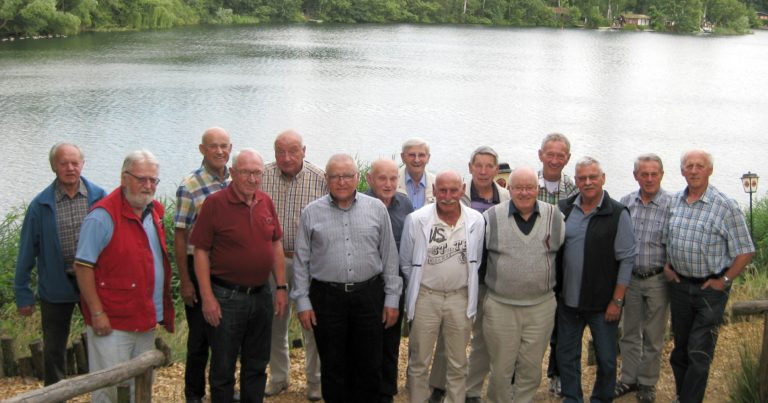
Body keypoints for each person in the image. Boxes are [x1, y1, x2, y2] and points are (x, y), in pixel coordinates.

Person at [291, 154, 402, 403]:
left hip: (369, 295)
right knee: (333, 366)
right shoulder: (311, 212)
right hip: (327, 298)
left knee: (370, 364)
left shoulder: (376, 209)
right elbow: (301, 261)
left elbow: (389, 256)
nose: (342, 182)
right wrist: (303, 302)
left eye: (347, 176)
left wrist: (392, 298)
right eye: (335, 176)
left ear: (358, 178)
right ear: (326, 179)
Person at [74, 150, 174, 403]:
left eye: (153, 180)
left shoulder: (154, 212)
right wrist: (97, 313)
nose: (148, 185)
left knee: (140, 384)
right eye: (142, 179)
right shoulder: (101, 217)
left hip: (144, 316)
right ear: (124, 178)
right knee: (109, 386)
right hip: (113, 320)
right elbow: (82, 267)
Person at [190, 148, 288, 403]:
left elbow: (276, 244)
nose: (252, 178)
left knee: (257, 363)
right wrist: (207, 296)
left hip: (261, 294)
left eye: (257, 173)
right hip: (226, 297)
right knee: (223, 367)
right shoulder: (215, 204)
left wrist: (280, 287)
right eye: (246, 172)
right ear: (232, 173)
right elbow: (200, 251)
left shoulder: (265, 201)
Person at [664, 150, 754, 403]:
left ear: (709, 170)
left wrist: (724, 281)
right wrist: (666, 267)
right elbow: (665, 240)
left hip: (710, 290)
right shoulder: (674, 202)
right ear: (682, 171)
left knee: (698, 352)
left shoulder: (725, 206)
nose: (693, 171)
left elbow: (745, 250)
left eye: (699, 166)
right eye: (689, 166)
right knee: (680, 350)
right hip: (680, 286)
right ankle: (683, 395)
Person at [14, 143, 106, 388]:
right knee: (54, 346)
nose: (70, 168)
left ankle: (103, 389)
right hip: (56, 285)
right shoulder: (40, 205)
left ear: (82, 164)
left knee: (103, 337)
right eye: (64, 163)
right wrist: (23, 293)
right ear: (54, 166)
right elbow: (26, 252)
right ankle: (55, 393)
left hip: (95, 284)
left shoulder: (99, 197)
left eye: (75, 163)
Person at [431, 146, 510, 403]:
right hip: (461, 277)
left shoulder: (506, 197)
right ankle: (439, 386)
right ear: (470, 167)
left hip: (493, 277)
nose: (484, 171)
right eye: (479, 165)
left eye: (490, 166)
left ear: (497, 170)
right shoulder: (457, 194)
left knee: (484, 336)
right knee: (450, 334)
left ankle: (472, 389)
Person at [556, 157, 636, 403]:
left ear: (603, 178)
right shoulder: (565, 209)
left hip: (603, 304)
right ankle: (572, 397)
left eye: (593, 177)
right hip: (568, 301)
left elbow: (627, 259)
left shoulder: (617, 213)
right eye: (582, 178)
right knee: (566, 356)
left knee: (607, 359)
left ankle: (601, 399)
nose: (587, 182)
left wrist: (618, 300)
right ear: (576, 181)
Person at [400, 171, 485, 403]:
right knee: (419, 362)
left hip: (460, 297)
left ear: (463, 190)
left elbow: (475, 260)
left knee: (458, 362)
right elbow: (407, 263)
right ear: (435, 190)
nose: (448, 196)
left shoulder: (476, 220)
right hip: (426, 297)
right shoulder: (417, 220)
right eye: (443, 190)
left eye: (453, 190)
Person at [482, 166, 564, 403]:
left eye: (530, 187)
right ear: (510, 188)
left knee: (530, 368)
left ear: (537, 189)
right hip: (501, 307)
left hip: (541, 307)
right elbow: (480, 258)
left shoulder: (555, 216)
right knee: (501, 368)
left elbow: (560, 252)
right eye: (519, 187)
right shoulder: (491, 218)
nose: (524, 193)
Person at [261, 129, 326, 401]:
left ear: (304, 151)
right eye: (280, 152)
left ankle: (316, 381)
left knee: (311, 322)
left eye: (292, 151)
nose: (286, 158)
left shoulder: (320, 179)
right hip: (274, 261)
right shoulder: (261, 176)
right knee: (276, 321)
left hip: (310, 263)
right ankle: (279, 377)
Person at [174, 127, 232, 403]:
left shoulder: (236, 180)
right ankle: (194, 395)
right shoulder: (190, 186)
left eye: (224, 146)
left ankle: (223, 390)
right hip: (198, 268)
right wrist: (185, 281)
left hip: (226, 270)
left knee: (227, 336)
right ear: (202, 149)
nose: (220, 151)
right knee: (199, 339)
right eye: (213, 146)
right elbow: (180, 235)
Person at [615, 154, 671, 403]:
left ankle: (647, 383)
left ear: (661, 174)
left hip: (658, 279)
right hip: (631, 279)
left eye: (653, 174)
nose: (649, 179)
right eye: (644, 174)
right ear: (635, 175)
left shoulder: (672, 204)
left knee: (654, 335)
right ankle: (628, 378)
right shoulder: (626, 203)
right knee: (628, 332)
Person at [364, 158, 414, 403]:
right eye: (382, 178)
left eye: (393, 178)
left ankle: (386, 391)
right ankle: (367, 389)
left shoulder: (404, 204)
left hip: (397, 283)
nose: (388, 183)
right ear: (369, 179)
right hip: (369, 284)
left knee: (391, 340)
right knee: (367, 340)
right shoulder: (359, 203)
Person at [537, 132, 577, 397]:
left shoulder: (574, 188)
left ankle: (557, 374)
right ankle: (518, 377)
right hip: (534, 264)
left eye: (560, 155)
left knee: (562, 326)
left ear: (568, 158)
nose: (554, 160)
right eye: (549, 154)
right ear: (540, 155)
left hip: (563, 265)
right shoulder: (528, 182)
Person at [397, 137, 436, 209]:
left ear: (428, 158)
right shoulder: (392, 182)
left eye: (421, 155)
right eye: (412, 155)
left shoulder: (437, 184)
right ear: (402, 157)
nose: (416, 160)